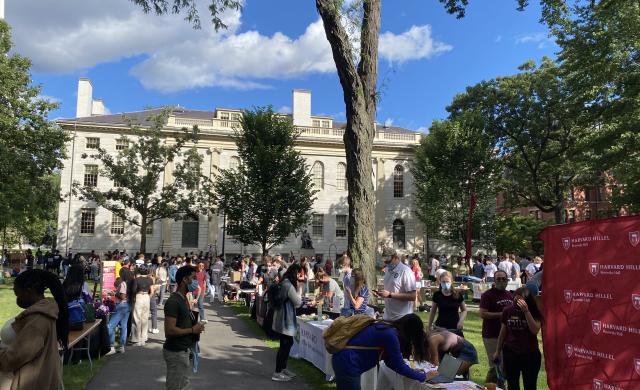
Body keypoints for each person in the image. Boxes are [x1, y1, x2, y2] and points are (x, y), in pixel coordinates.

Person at [0, 269, 69, 390]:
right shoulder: (45, 311)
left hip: (30, 382)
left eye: (18, 293)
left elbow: (18, 355)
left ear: (29, 291)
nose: (17, 298)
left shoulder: (38, 319)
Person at [332, 313, 437, 389]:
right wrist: (423, 376)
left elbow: (390, 362)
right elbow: (399, 365)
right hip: (348, 364)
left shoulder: (388, 329)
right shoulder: (391, 336)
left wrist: (413, 372)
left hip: (344, 361)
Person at [164, 265, 204, 390]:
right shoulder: (174, 301)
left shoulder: (184, 299)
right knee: (176, 386)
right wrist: (192, 330)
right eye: (193, 278)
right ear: (185, 280)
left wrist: (195, 327)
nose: (195, 282)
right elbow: (169, 330)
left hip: (183, 351)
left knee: (182, 385)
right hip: (176, 352)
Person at [493, 287, 542, 390]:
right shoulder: (508, 310)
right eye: (515, 299)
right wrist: (497, 351)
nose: (517, 302)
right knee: (513, 384)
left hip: (530, 354)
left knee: (530, 385)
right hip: (511, 353)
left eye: (520, 300)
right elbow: (503, 332)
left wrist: (526, 312)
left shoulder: (534, 311)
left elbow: (535, 330)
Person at [479, 270, 513, 384]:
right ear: (494, 280)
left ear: (507, 280)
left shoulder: (509, 295)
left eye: (503, 278)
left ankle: (499, 386)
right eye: (498, 279)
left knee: (506, 366)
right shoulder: (487, 295)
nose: (501, 281)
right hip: (491, 335)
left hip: (507, 336)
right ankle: (491, 387)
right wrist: (502, 314)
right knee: (496, 365)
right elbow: (483, 313)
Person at [271, 264, 303, 382]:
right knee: (285, 345)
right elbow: (298, 302)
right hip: (285, 319)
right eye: (299, 273)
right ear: (294, 273)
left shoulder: (284, 282)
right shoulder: (288, 285)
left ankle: (283, 369)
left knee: (287, 343)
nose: (300, 276)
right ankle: (277, 372)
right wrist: (299, 289)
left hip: (282, 317)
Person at [374, 254, 416, 321]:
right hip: (388, 317)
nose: (387, 264)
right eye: (385, 262)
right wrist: (381, 293)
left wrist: (390, 295)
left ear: (395, 257)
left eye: (388, 261)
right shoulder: (388, 270)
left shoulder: (406, 271)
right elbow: (391, 289)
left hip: (402, 318)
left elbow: (412, 296)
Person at [428, 271, 467, 336]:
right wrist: (429, 325)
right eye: (443, 282)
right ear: (440, 281)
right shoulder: (437, 295)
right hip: (440, 327)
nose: (445, 283)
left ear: (451, 281)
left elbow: (464, 310)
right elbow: (433, 311)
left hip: (455, 327)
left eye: (447, 282)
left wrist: (461, 321)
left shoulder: (457, 295)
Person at [131, 266, 154, 346]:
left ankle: (137, 339)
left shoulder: (137, 279)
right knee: (145, 318)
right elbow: (152, 291)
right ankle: (144, 338)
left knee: (137, 318)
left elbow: (134, 290)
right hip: (146, 297)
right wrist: (148, 297)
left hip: (139, 296)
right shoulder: (150, 279)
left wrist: (134, 298)